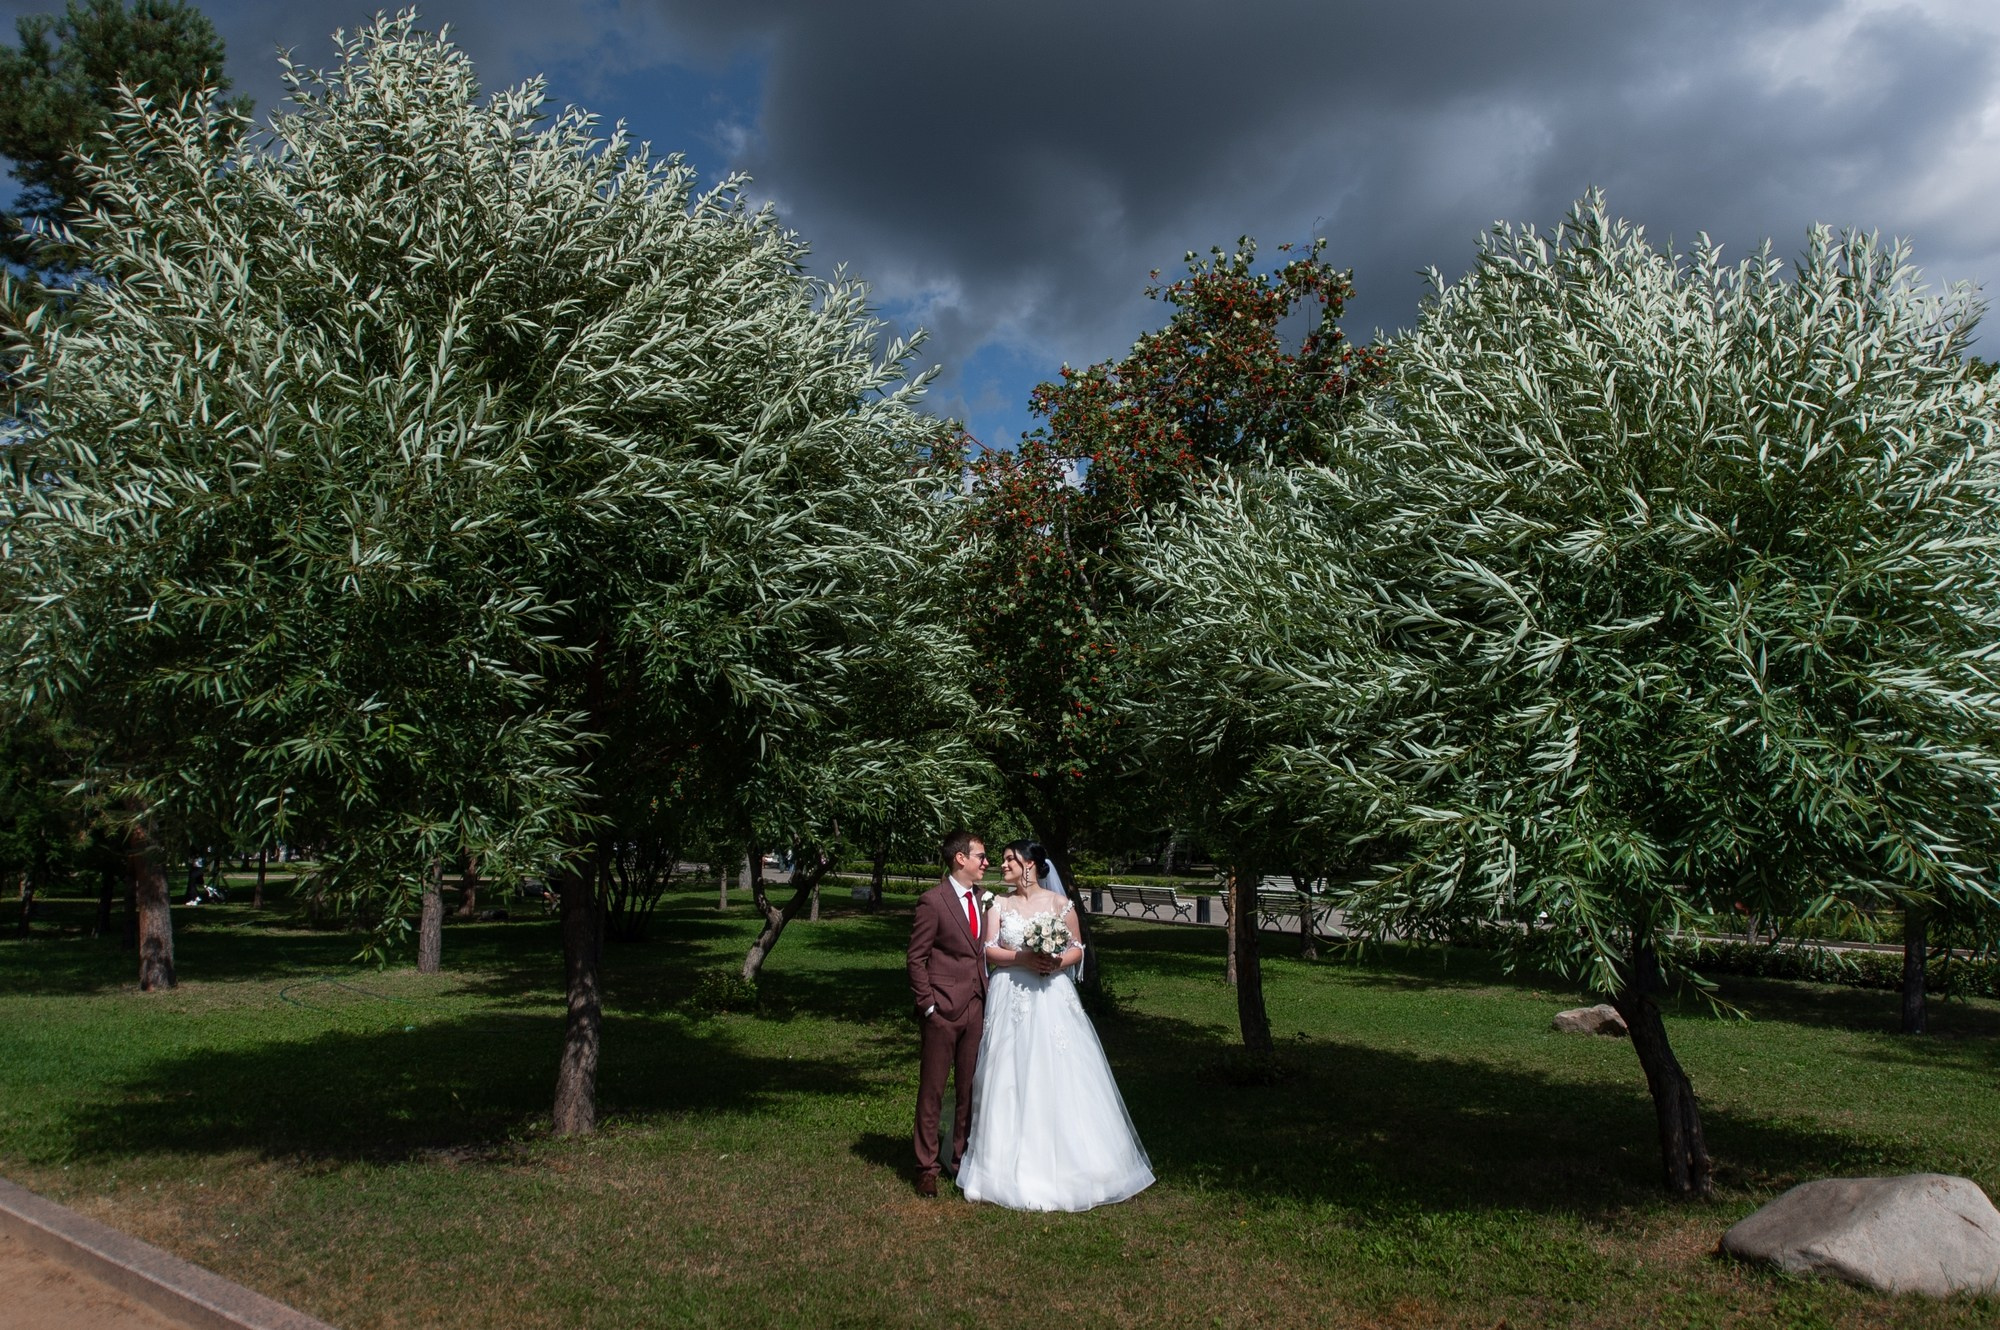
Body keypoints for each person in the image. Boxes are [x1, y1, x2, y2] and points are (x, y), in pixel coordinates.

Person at [954, 840, 1154, 1211]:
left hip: (1052, 998)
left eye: (1010, 860)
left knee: (1058, 1074)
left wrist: (1054, 962)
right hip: (1011, 994)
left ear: (1029, 865)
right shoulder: (998, 903)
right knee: (1006, 1075)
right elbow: (989, 949)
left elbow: (1077, 948)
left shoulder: (1061, 905)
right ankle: (998, 1168)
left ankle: (1076, 1167)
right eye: (1002, 860)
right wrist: (1024, 958)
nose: (1003, 865)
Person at [906, 830, 990, 1197]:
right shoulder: (933, 901)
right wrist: (928, 1006)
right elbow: (916, 958)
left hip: (976, 1006)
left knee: (969, 1089)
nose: (986, 863)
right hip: (941, 1011)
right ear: (961, 858)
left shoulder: (986, 900)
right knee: (933, 1090)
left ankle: (960, 1161)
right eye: (981, 856)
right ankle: (926, 1166)